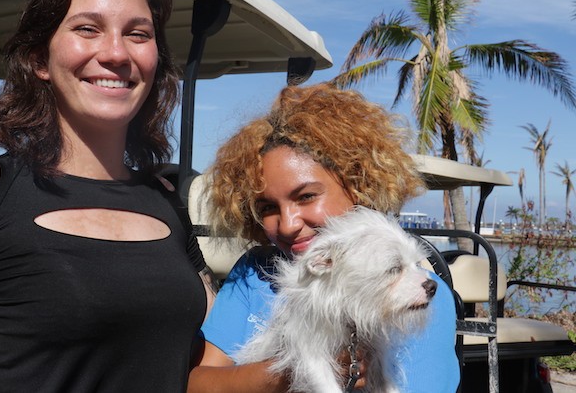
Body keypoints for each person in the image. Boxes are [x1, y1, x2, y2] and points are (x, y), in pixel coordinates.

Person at [0, 0, 214, 391]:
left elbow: (214, 355)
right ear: (39, 59)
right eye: (87, 28)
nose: (116, 53)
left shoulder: (167, 199)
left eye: (138, 34)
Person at [188, 83, 460, 392]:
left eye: (306, 196)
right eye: (267, 208)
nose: (288, 225)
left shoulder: (416, 294)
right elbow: (197, 383)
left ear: (357, 185)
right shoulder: (254, 274)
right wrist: (294, 370)